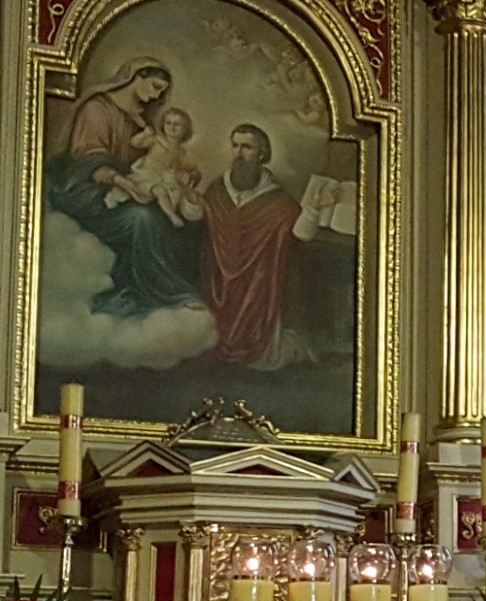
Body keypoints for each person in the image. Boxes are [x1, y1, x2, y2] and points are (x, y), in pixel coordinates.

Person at [44, 58, 204, 316]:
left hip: (132, 189)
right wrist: (125, 184)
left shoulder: (140, 121)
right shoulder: (97, 110)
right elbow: (89, 161)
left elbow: (157, 162)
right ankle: (166, 295)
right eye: (154, 87)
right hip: (90, 194)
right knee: (142, 219)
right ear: (135, 77)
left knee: (190, 224)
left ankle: (150, 294)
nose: (156, 96)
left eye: (162, 92)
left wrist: (185, 177)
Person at [187, 124, 326, 368]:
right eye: (235, 146)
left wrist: (314, 208)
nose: (239, 153)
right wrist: (189, 199)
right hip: (218, 284)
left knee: (266, 355)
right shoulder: (218, 190)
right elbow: (198, 216)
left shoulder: (278, 202)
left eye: (247, 147)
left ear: (262, 154)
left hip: (257, 290)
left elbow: (301, 235)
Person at [104, 107, 197, 227]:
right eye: (168, 123)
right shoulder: (157, 140)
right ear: (163, 125)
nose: (172, 127)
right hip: (147, 175)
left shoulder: (181, 152)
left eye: (177, 125)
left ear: (185, 130)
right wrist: (144, 134)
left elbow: (185, 168)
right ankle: (171, 216)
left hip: (164, 178)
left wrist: (187, 174)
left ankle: (167, 216)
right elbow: (135, 143)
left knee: (177, 193)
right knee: (160, 191)